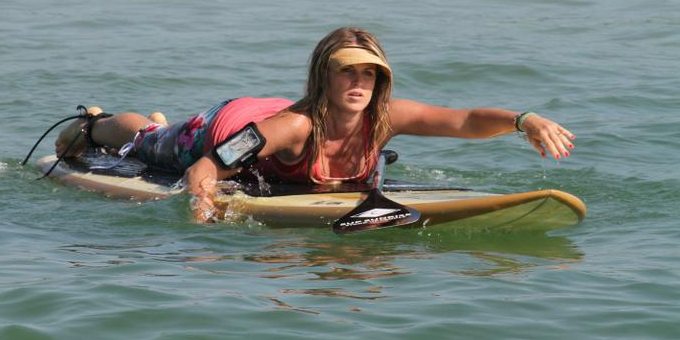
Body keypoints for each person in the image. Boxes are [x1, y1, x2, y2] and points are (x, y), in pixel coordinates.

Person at [55, 27, 576, 222]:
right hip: (224, 130)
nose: (358, 82)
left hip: (272, 130)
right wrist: (203, 208)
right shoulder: (292, 130)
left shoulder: (384, 119)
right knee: (154, 143)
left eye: (368, 73)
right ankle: (100, 124)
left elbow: (462, 120)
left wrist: (522, 120)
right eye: (345, 71)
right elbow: (209, 168)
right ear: (324, 78)